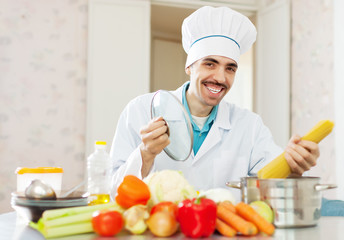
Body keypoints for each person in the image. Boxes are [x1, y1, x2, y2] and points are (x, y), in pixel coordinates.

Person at [109, 6, 319, 202]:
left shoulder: (250, 126)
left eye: (230, 68)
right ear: (189, 67)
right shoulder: (139, 110)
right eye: (210, 63)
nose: (220, 77)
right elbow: (113, 191)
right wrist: (145, 154)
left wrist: (295, 166)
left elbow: (270, 189)